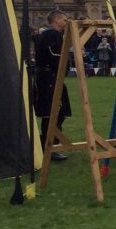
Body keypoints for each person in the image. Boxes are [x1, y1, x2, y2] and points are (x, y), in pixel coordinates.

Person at [34, 9, 71, 160]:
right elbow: (56, 56)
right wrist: (63, 67)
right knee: (53, 111)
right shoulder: (52, 34)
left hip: (49, 77)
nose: (66, 22)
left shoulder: (49, 35)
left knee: (56, 112)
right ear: (56, 20)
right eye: (64, 19)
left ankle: (50, 145)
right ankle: (50, 147)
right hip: (49, 77)